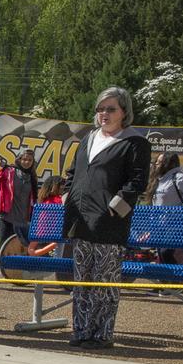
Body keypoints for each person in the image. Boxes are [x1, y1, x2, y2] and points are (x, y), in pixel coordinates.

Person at [61, 86, 150, 350]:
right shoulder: (88, 138)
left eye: (111, 109)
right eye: (100, 108)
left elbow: (137, 183)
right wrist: (68, 196)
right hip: (80, 220)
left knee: (104, 281)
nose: (104, 114)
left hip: (109, 224)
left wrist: (113, 210)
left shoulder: (135, 142)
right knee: (82, 281)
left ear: (124, 112)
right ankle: (81, 330)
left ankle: (101, 334)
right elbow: (72, 172)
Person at [0, 147, 38, 244]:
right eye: (24, 159)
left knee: (21, 247)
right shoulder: (8, 171)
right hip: (7, 216)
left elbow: (33, 198)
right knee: (4, 245)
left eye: (30, 160)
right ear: (19, 159)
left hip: (22, 219)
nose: (27, 162)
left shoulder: (32, 176)